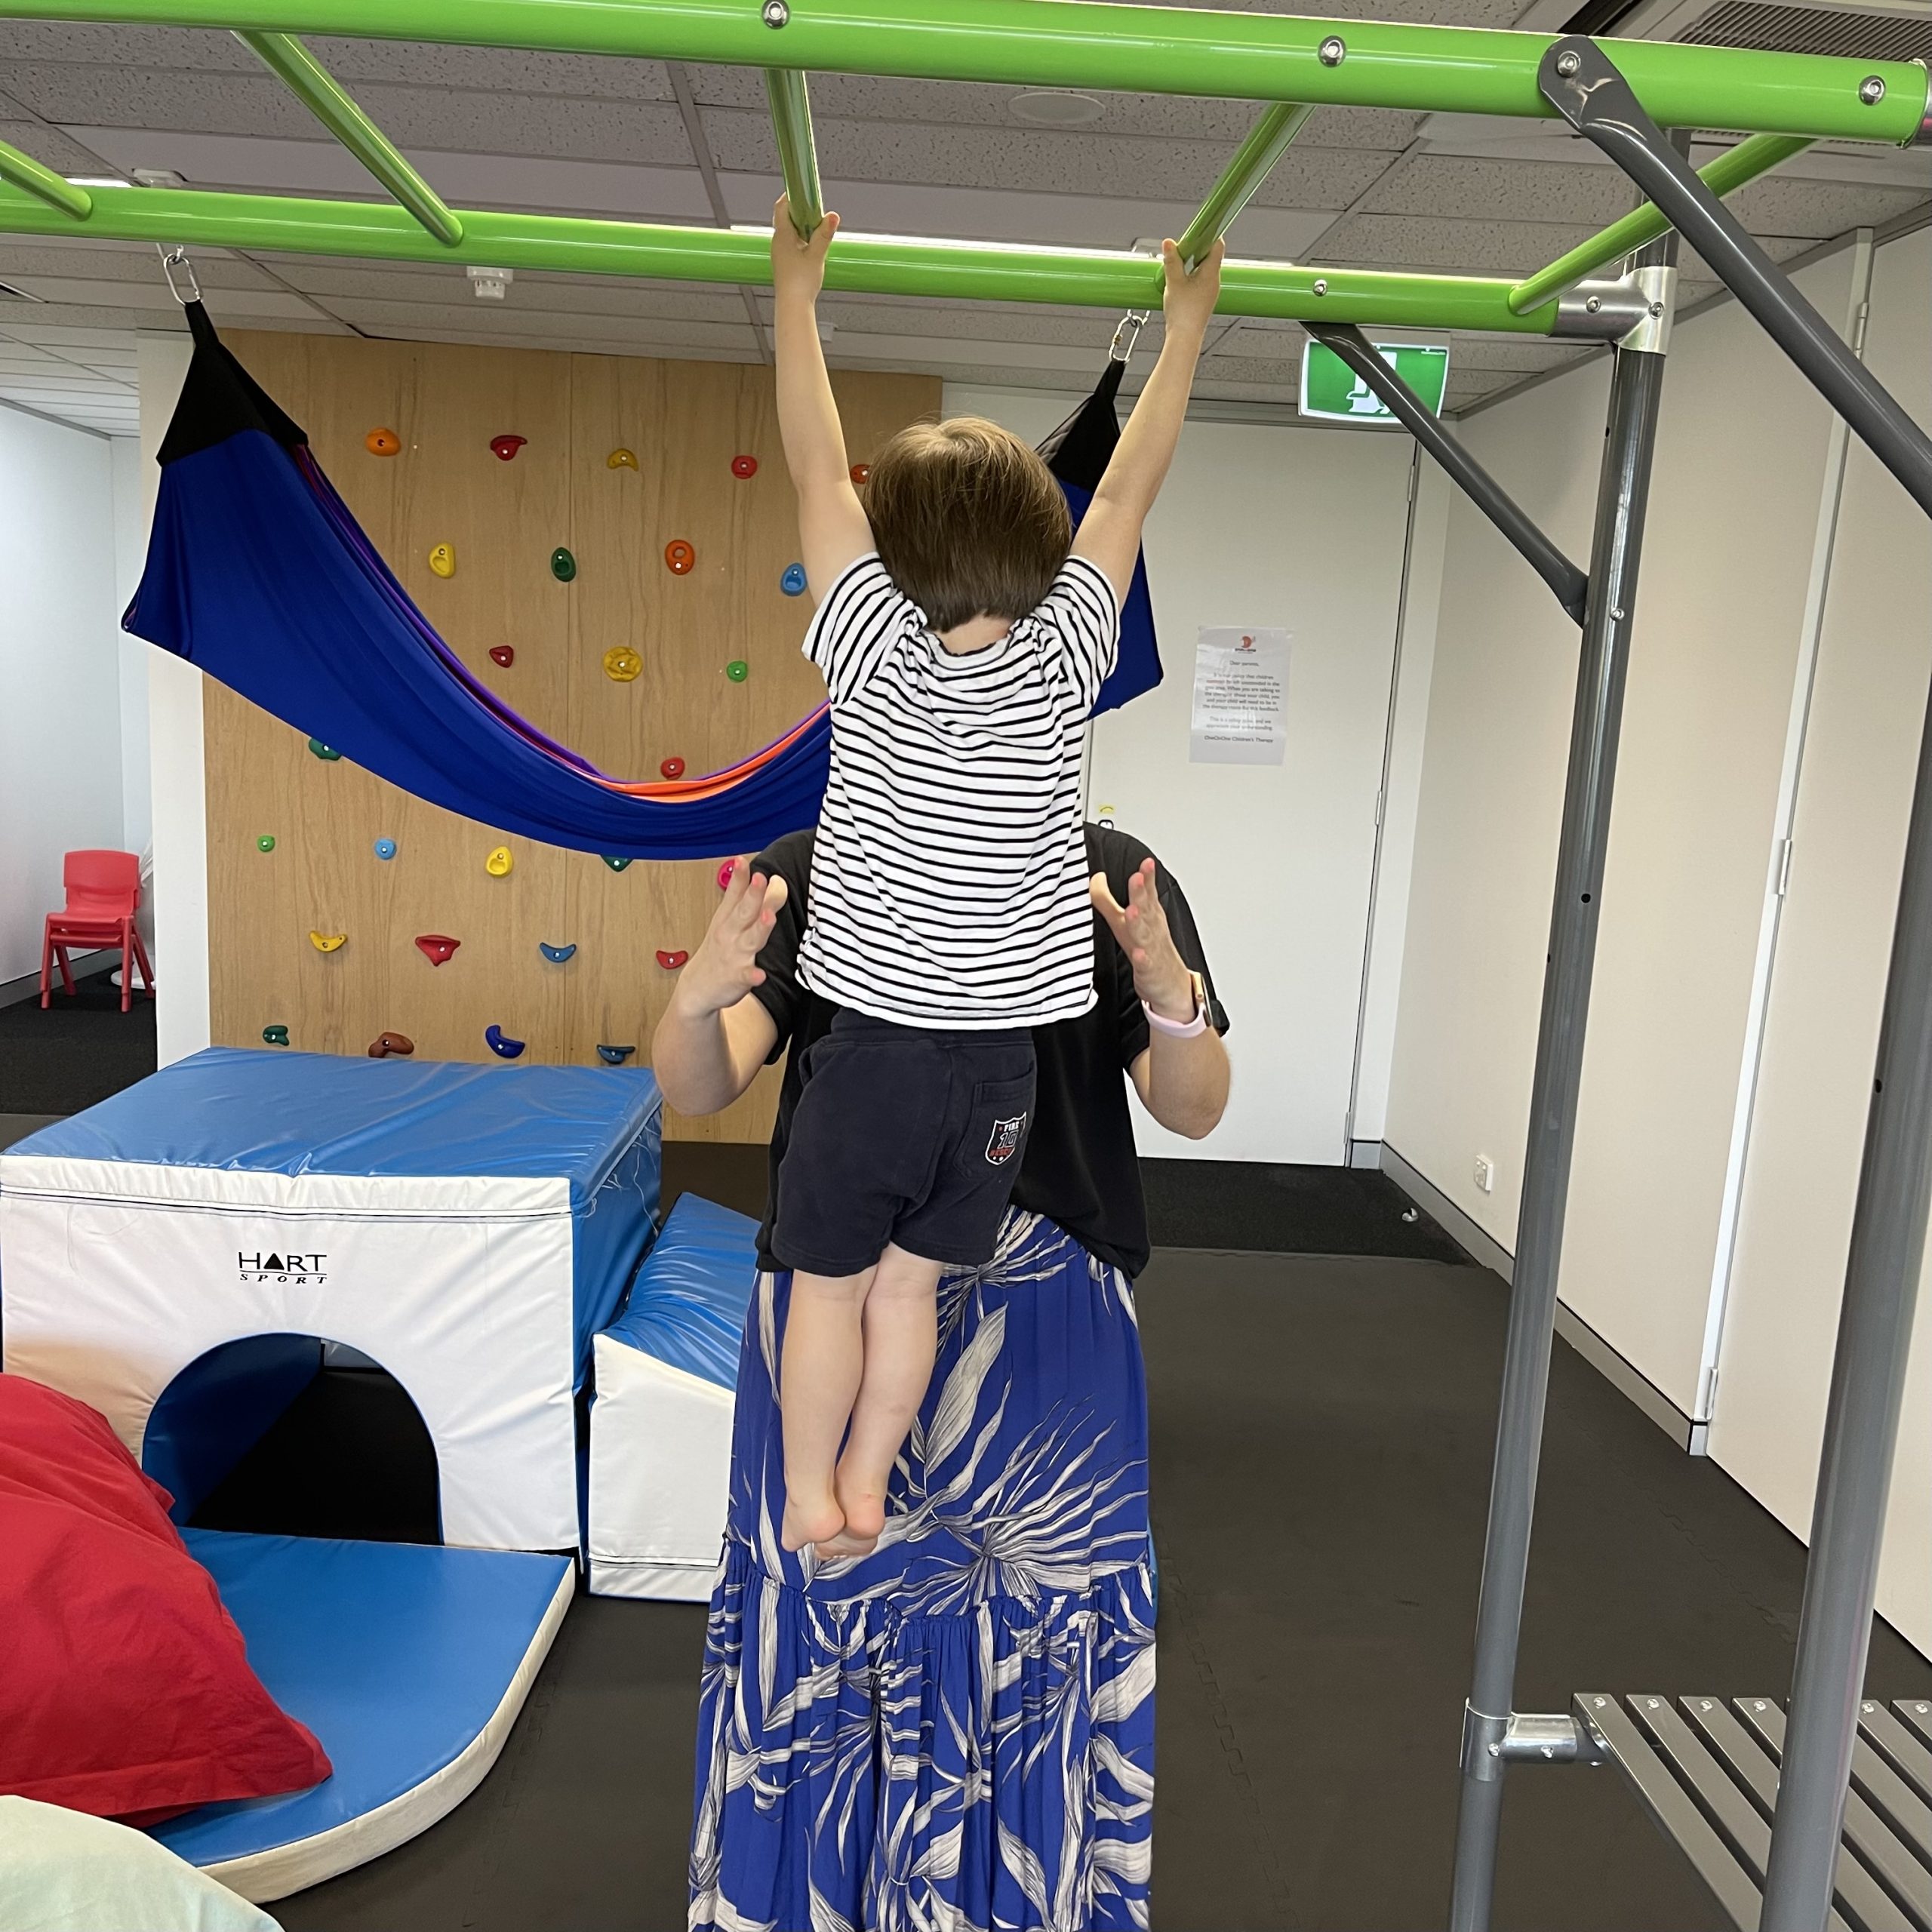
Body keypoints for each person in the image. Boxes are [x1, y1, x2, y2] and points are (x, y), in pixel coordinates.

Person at [761, 192, 1226, 1563]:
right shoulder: (1069, 650)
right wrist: (1189, 330)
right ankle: (871, 1477)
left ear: (891, 566)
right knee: (906, 1295)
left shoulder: (869, 643)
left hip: (879, 1054)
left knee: (827, 1295)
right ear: (1039, 557)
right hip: (1001, 1074)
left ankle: (813, 1499)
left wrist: (796, 301)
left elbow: (813, 465)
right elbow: (1129, 486)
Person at [657, 820, 1229, 1931]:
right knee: (820, 1614)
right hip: (835, 1309)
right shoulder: (811, 864)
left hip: (1043, 1329)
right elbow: (703, 1083)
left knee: (1035, 1644)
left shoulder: (1107, 873)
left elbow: (1195, 1103)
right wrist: (694, 999)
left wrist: (1169, 992)